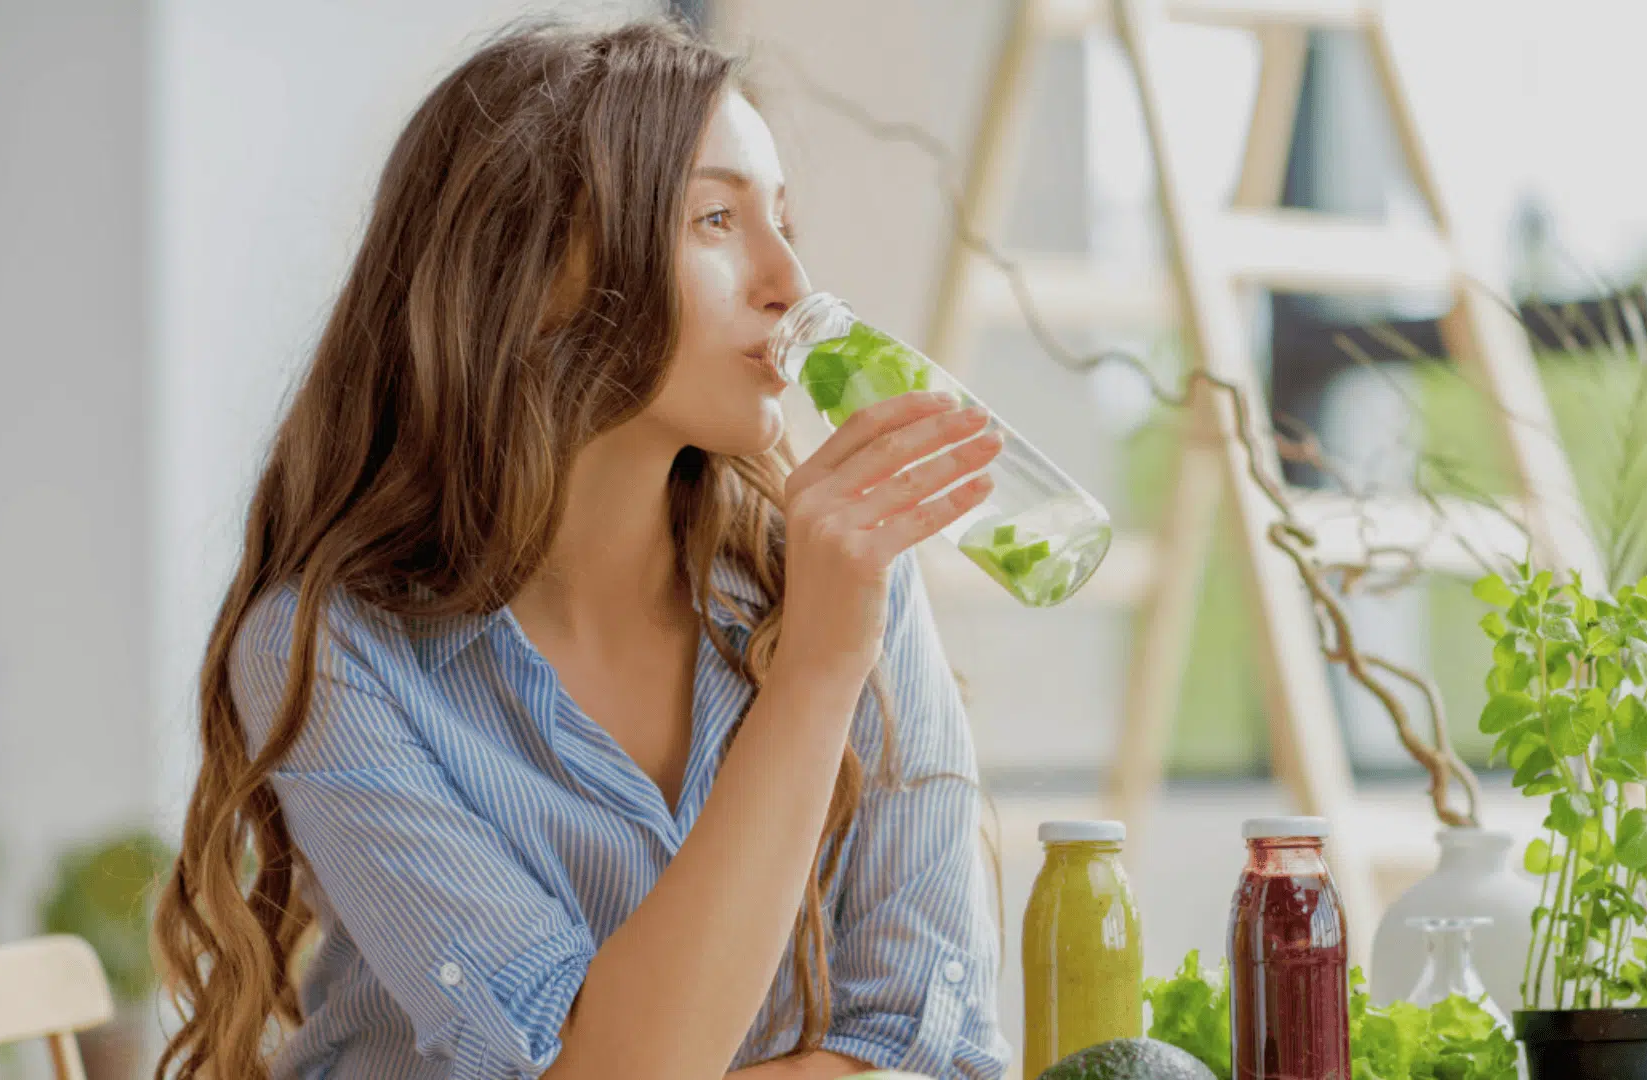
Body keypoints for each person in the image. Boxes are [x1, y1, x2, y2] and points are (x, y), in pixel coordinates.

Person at [150, 18, 1009, 1080]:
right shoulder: (330, 651)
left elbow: (932, 1046)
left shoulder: (833, 574)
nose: (790, 281)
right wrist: (817, 676)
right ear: (538, 271)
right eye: (716, 219)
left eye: (784, 221)